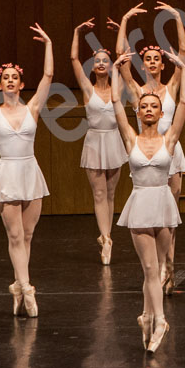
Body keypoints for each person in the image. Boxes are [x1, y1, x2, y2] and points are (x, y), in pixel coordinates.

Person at [0, 21, 53, 317]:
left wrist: (48, 45)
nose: (10, 80)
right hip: (8, 173)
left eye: (14, 77)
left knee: (28, 235)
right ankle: (27, 288)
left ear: (21, 84)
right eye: (5, 77)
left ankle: (19, 286)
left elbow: (48, 76)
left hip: (30, 172)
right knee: (16, 237)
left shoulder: (32, 109)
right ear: (0, 85)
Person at [111, 49, 185, 352]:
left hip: (163, 205)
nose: (149, 109)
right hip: (141, 205)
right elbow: (115, 104)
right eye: (144, 106)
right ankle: (159, 319)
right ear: (139, 111)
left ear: (160, 112)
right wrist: (117, 71)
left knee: (155, 269)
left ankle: (148, 316)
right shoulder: (131, 138)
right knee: (149, 268)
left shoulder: (170, 139)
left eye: (154, 106)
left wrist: (182, 69)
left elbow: (184, 103)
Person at [116, 1, 185, 294]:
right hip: (145, 151)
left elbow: (183, 53)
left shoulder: (171, 88)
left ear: (162, 63)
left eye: (157, 58)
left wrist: (177, 17)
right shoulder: (137, 91)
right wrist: (124, 20)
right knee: (151, 208)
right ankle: (156, 269)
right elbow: (121, 59)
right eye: (148, 58)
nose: (153, 62)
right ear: (143, 64)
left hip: (169, 149)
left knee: (170, 212)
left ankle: (168, 265)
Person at [71, 17, 128, 264]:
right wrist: (77, 32)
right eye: (98, 61)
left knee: (111, 193)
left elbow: (125, 57)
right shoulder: (88, 89)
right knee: (99, 193)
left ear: (111, 66)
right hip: (95, 142)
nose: (102, 63)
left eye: (106, 60)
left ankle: (108, 236)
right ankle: (105, 239)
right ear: (93, 68)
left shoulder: (119, 87)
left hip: (114, 140)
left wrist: (121, 31)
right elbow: (74, 59)